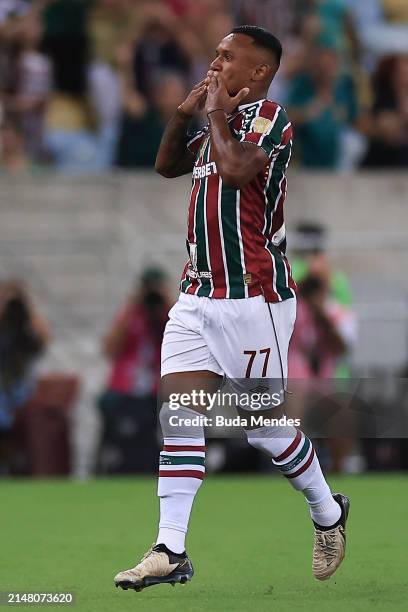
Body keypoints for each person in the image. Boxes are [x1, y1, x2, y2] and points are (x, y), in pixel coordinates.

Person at [114, 25, 350, 593]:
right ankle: (170, 547)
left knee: (263, 428)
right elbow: (168, 167)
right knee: (180, 415)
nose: (214, 63)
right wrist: (183, 114)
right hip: (197, 298)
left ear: (258, 71)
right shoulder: (218, 120)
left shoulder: (271, 118)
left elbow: (238, 170)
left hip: (255, 299)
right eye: (214, 53)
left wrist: (215, 115)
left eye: (226, 56)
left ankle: (328, 511)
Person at [98, 268, 170, 473]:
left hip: (158, 391)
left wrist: (167, 307)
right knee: (108, 403)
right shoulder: (130, 316)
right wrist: (131, 309)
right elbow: (109, 349)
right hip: (125, 390)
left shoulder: (171, 315)